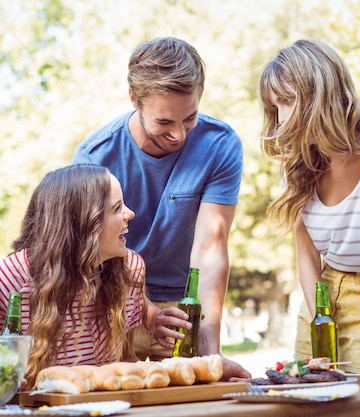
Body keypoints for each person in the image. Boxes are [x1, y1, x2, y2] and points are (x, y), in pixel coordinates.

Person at [72, 37, 248, 380]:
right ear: (135, 101)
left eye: (190, 118)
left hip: (185, 311)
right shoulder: (94, 158)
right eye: (165, 123)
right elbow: (89, 256)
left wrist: (210, 347)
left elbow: (211, 246)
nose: (179, 135)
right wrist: (146, 310)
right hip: (117, 305)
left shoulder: (220, 144)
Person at [258, 39, 360, 384]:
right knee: (305, 390)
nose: (282, 119)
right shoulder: (299, 161)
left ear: (321, 93)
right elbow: (306, 256)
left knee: (358, 393)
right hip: (323, 286)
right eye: (276, 108)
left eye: (288, 101)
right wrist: (323, 316)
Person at [0, 164, 166, 384]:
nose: (130, 214)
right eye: (116, 208)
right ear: (84, 224)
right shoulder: (10, 279)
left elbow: (125, 357)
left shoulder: (130, 269)